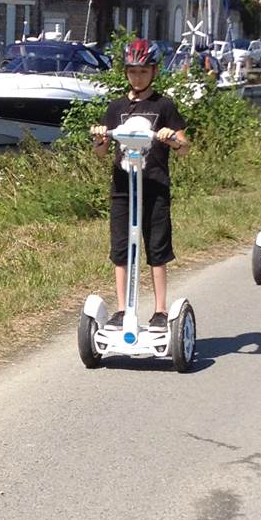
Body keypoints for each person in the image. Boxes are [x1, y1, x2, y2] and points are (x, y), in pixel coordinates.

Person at [89, 39, 190, 330]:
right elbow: (100, 152)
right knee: (120, 250)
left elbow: (184, 147)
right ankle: (122, 310)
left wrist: (172, 137)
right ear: (126, 73)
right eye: (132, 71)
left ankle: (159, 310)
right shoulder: (116, 107)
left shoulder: (164, 106)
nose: (137, 77)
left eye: (143, 72)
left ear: (154, 72)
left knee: (157, 249)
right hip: (123, 188)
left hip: (154, 187)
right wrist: (99, 138)